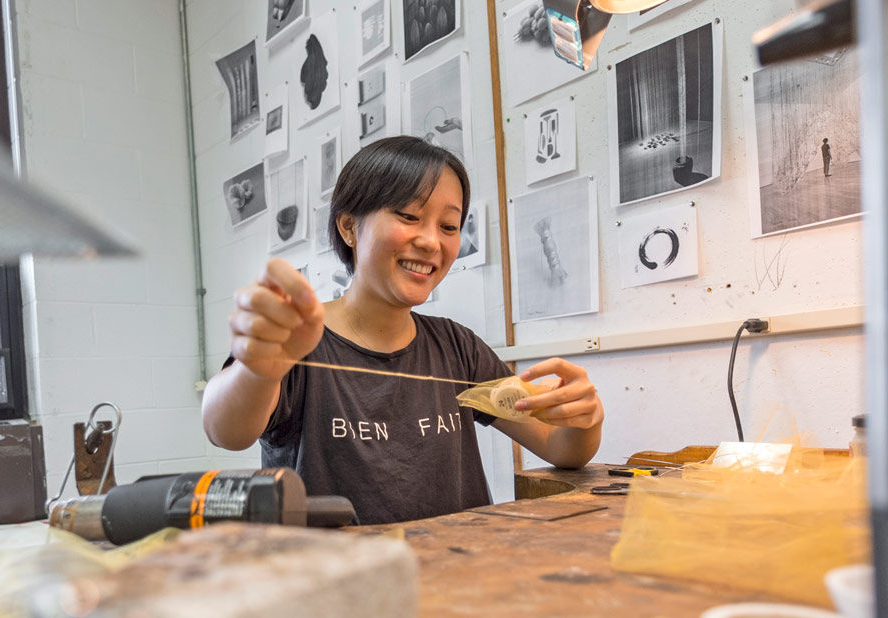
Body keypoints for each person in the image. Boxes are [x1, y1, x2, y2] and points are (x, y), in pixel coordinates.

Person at [202, 136, 604, 525]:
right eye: (409, 216)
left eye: (448, 226)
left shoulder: (456, 347)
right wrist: (257, 370)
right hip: (335, 583)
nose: (431, 241)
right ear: (348, 227)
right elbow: (225, 431)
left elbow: (558, 446)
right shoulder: (296, 339)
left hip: (459, 574)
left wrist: (584, 421)